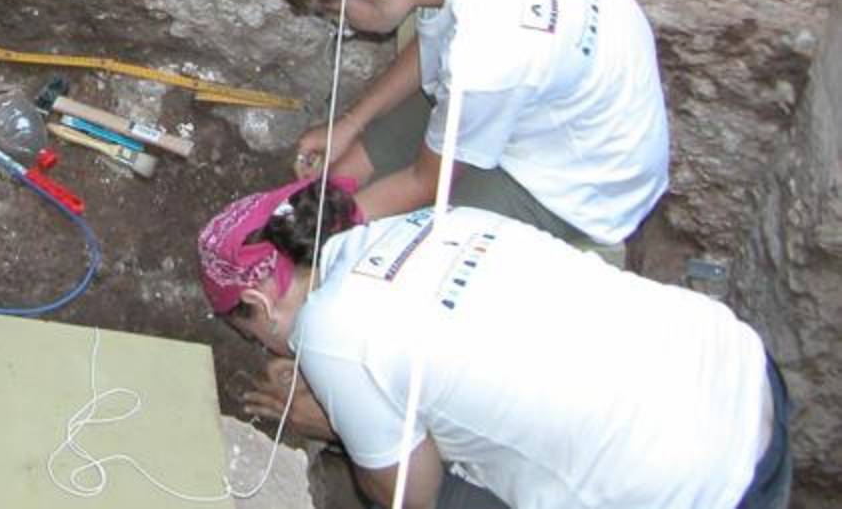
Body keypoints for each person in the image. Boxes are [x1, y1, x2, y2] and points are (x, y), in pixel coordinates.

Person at [196, 177, 791, 509]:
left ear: (256, 305)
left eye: (248, 331)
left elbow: (412, 497)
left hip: (697, 489)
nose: (266, 346)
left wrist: (335, 424)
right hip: (740, 370)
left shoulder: (333, 335)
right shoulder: (440, 220)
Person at [277, 0, 669, 252]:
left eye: (336, 13)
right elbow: (437, 40)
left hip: (584, 178)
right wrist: (350, 123)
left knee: (391, 255)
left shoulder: (487, 58)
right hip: (548, 98)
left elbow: (424, 181)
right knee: (339, 179)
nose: (340, 25)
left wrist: (318, 237)